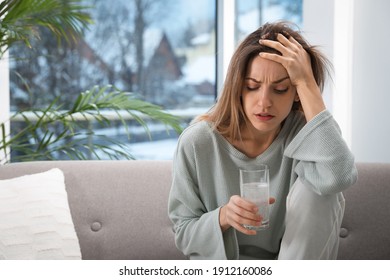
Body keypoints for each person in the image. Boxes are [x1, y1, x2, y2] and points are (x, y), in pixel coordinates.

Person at [168, 22, 358, 260]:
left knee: (323, 190)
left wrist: (307, 82)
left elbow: (338, 176)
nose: (264, 102)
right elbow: (184, 234)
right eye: (252, 87)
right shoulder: (198, 142)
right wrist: (224, 217)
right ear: (238, 88)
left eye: (280, 89)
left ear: (296, 93)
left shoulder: (305, 134)